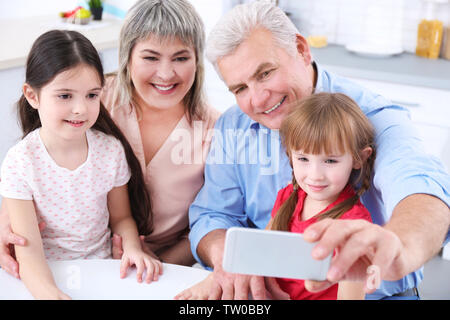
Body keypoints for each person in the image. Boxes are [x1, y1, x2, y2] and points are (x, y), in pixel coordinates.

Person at [187, 1, 450, 300]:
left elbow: (423, 192)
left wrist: (399, 248)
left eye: (265, 74)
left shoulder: (374, 118)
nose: (258, 99)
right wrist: (231, 262)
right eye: (240, 89)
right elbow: (213, 214)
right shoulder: (234, 126)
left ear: (301, 49)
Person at [0, 0, 220, 277]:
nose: (166, 73)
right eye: (150, 57)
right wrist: (7, 220)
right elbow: (35, 159)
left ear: (197, 60)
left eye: (181, 58)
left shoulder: (216, 131)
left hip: (162, 268)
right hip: (81, 262)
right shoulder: (92, 96)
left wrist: (154, 264)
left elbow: (215, 221)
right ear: (127, 57)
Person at [0, 30, 162, 299]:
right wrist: (51, 294)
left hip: (103, 270)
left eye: (91, 95)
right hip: (43, 274)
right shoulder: (20, 162)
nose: (81, 109)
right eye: (65, 96)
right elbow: (29, 254)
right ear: (32, 95)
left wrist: (133, 247)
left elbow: (121, 218)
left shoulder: (110, 151)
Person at [176, 92, 376, 300]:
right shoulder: (289, 196)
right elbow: (258, 252)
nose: (315, 175)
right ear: (290, 155)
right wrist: (212, 281)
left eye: (330, 161)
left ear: (359, 158)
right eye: (303, 158)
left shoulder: (354, 227)